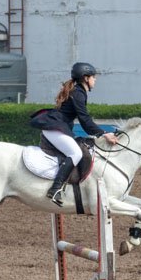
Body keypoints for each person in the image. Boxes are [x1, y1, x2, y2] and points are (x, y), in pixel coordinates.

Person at [31, 62, 120, 206]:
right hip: (54, 127)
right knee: (75, 154)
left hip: (57, 126)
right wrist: (104, 134)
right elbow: (84, 119)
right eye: (93, 77)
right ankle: (55, 189)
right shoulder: (78, 93)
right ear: (86, 78)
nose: (95, 80)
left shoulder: (78, 91)